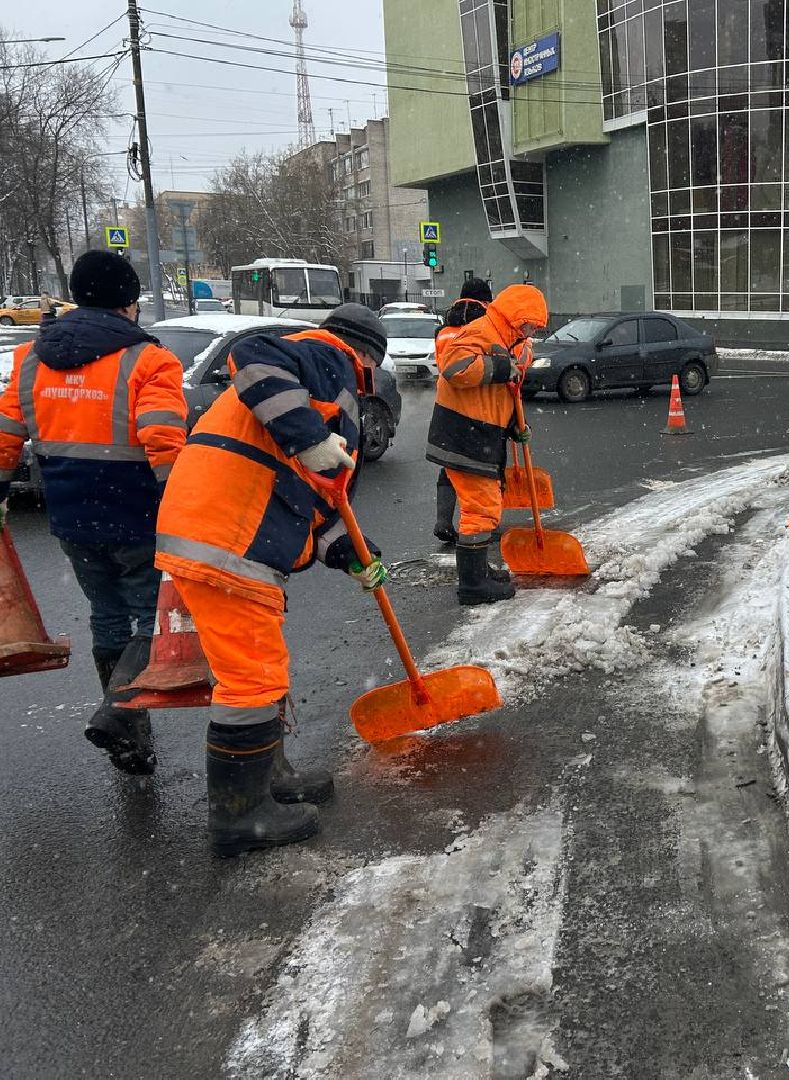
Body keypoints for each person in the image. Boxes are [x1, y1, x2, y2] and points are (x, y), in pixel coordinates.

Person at [153, 303, 389, 857]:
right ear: (369, 360)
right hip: (228, 535)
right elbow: (253, 353)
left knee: (259, 665)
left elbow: (317, 504)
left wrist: (356, 555)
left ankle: (269, 778)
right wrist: (310, 437)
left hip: (221, 531)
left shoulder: (316, 383)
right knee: (251, 677)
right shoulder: (327, 357)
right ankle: (240, 815)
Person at [0, 250, 188, 774]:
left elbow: (6, 437)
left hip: (70, 516)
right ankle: (120, 712)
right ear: (129, 305)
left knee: (106, 618)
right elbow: (163, 442)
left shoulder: (30, 360)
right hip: (137, 515)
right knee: (153, 619)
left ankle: (131, 742)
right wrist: (183, 506)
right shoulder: (149, 360)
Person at [428, 282, 547, 604]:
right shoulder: (481, 332)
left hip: (482, 433)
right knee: (482, 510)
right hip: (463, 433)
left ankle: (478, 572)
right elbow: (454, 370)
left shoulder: (511, 341)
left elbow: (502, 394)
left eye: (536, 326)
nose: (531, 330)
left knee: (481, 507)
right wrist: (501, 367)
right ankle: (472, 586)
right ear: (513, 316)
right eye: (529, 323)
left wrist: (514, 427)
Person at [434, 277, 494, 544]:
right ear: (485, 300)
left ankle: (443, 521)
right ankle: (478, 529)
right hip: (476, 405)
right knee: (478, 470)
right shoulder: (483, 325)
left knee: (449, 464)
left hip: (446, 403)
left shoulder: (444, 328)